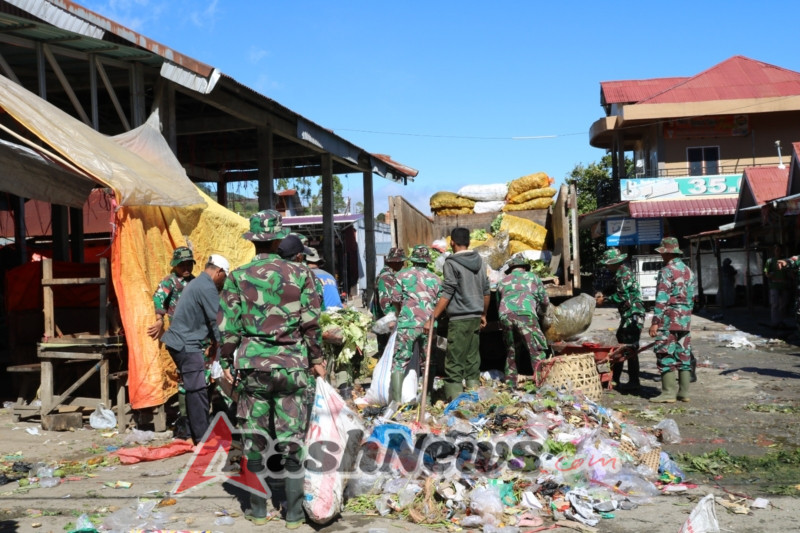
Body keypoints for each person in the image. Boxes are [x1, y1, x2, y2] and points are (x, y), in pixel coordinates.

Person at [218, 210, 325, 528]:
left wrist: (225, 361)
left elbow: (228, 328)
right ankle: (292, 514)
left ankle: (259, 510)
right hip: (293, 367)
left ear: (252, 240)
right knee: (292, 439)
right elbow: (311, 324)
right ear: (278, 238)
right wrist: (317, 359)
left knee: (254, 439)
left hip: (253, 369)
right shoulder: (301, 274)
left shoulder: (237, 277)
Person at [160, 254, 229, 443]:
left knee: (194, 388)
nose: (224, 281)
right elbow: (216, 320)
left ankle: (194, 432)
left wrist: (215, 344)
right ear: (219, 272)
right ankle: (203, 436)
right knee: (197, 389)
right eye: (225, 277)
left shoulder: (198, 283)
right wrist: (223, 345)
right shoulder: (206, 286)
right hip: (185, 343)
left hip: (183, 342)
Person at [426, 227, 490, 401]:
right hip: (475, 317)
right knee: (472, 358)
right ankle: (473, 396)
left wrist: (433, 317)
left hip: (459, 318)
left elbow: (448, 292)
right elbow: (486, 291)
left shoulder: (451, 263)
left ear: (452, 242)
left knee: (454, 360)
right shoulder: (480, 261)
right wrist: (483, 314)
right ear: (469, 242)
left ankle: (454, 400)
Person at [648, 237, 696, 403]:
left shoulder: (667, 271)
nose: (661, 256)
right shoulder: (689, 271)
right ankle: (684, 393)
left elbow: (662, 298)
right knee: (683, 354)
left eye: (662, 252)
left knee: (665, 353)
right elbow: (692, 297)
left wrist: (655, 322)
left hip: (668, 319)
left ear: (667, 253)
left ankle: (668, 393)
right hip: (685, 319)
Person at [391, 245, 440, 402]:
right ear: (427, 261)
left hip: (407, 323)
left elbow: (395, 299)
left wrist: (401, 314)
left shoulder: (401, 275)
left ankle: (396, 401)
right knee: (428, 361)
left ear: (413, 259)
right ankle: (428, 398)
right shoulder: (436, 279)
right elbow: (441, 304)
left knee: (400, 361)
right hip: (429, 325)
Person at [595, 248, 645, 391]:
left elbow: (622, 296)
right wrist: (603, 293)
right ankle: (615, 378)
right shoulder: (620, 273)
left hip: (633, 314)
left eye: (608, 264)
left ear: (614, 263)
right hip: (628, 314)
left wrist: (604, 300)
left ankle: (634, 381)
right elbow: (614, 289)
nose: (606, 267)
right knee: (621, 343)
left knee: (629, 346)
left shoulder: (623, 274)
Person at [496, 255, 549, 387]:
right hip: (525, 314)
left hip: (505, 316)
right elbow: (544, 301)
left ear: (511, 269)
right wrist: (541, 314)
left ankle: (510, 383)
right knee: (536, 349)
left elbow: (498, 303)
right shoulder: (532, 277)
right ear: (524, 268)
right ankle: (542, 383)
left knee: (512, 350)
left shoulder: (502, 281)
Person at [146, 246, 195, 339]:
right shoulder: (170, 281)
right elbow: (158, 298)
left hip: (196, 331)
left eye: (189, 264)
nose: (186, 268)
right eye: (182, 265)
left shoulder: (195, 281)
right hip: (179, 332)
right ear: (175, 265)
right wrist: (159, 319)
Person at [374, 247, 406, 355]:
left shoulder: (389, 275)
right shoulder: (386, 278)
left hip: (386, 320)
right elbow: (384, 301)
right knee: (387, 353)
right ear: (395, 262)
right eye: (401, 262)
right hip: (387, 322)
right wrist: (391, 320)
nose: (402, 265)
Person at [764, 244, 789, 328]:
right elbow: (766, 273)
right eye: (776, 250)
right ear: (773, 251)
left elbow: (789, 272)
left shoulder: (785, 260)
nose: (778, 251)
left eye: (779, 249)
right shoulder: (770, 261)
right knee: (775, 304)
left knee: (783, 305)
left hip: (784, 285)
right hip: (774, 285)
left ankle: (781, 322)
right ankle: (775, 322)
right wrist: (771, 275)